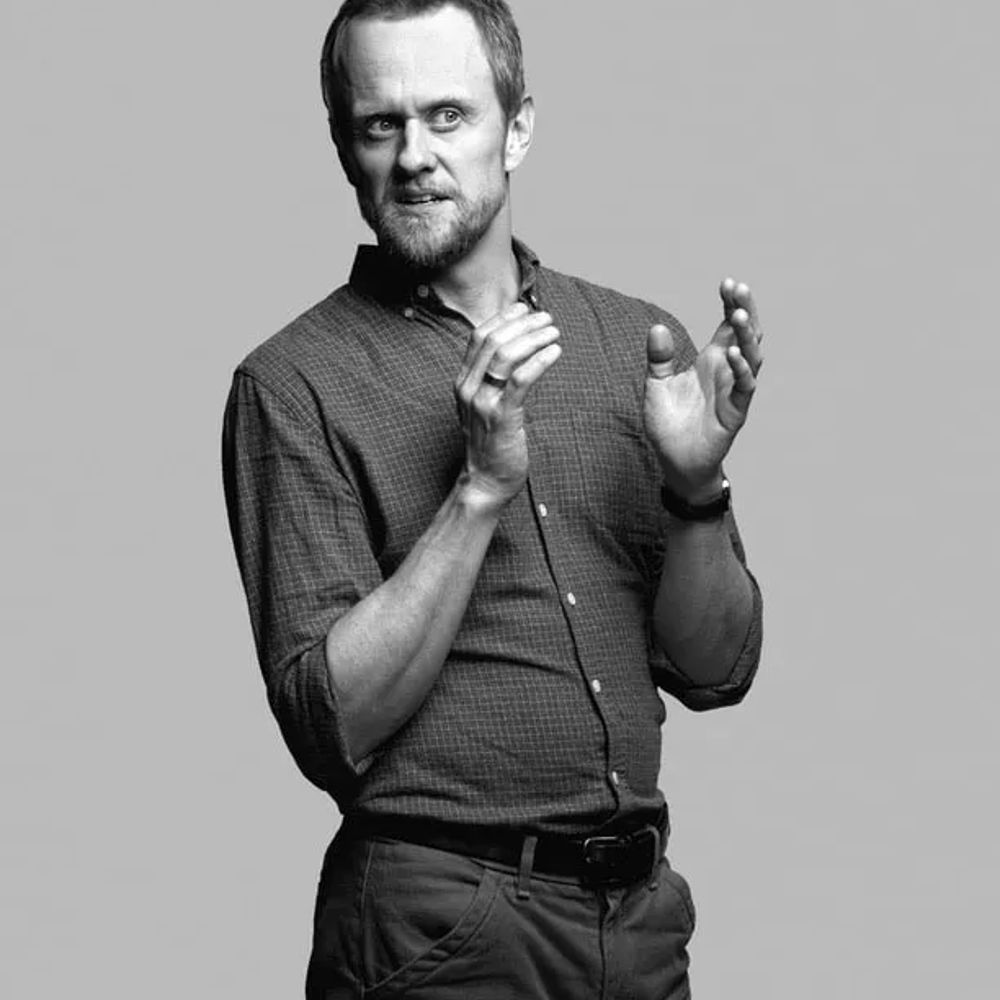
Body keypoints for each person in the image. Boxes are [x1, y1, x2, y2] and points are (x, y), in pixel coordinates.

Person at [222, 1, 764, 996]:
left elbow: (716, 669)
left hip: (640, 925)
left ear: (516, 128)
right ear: (343, 148)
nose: (413, 156)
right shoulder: (293, 385)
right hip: (438, 927)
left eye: (447, 116)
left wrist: (695, 491)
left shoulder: (633, 343)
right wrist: (477, 488)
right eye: (379, 124)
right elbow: (331, 727)